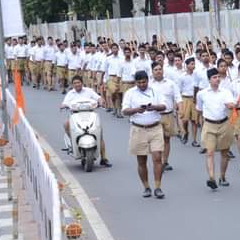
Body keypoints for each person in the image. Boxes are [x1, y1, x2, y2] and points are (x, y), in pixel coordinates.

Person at [121, 70, 168, 199]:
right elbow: (124, 111)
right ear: (135, 82)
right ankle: (146, 187)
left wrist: (154, 107)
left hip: (155, 128)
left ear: (148, 80)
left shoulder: (155, 91)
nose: (142, 84)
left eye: (144, 82)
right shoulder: (130, 93)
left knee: (157, 157)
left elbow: (164, 106)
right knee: (142, 160)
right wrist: (137, 110)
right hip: (138, 129)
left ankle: (158, 187)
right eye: (139, 82)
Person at [196, 67, 236, 190]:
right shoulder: (202, 94)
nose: (217, 79)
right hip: (209, 124)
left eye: (218, 77)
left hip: (224, 123)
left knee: (224, 152)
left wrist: (231, 105)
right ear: (209, 80)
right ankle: (211, 178)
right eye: (214, 77)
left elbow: (231, 104)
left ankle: (222, 176)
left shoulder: (226, 92)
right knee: (210, 152)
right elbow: (199, 109)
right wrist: (199, 121)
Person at [60, 75, 112, 167]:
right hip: (75, 115)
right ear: (72, 84)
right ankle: (73, 144)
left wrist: (101, 101)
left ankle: (104, 158)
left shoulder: (89, 91)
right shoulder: (70, 94)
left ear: (82, 83)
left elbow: (98, 98)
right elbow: (64, 103)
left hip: (90, 114)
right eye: (75, 83)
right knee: (66, 125)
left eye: (78, 82)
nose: (77, 84)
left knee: (99, 133)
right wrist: (63, 106)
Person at [150, 61, 179, 172]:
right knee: (156, 140)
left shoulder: (170, 83)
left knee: (166, 139)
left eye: (160, 69)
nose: (158, 71)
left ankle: (165, 161)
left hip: (168, 114)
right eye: (156, 70)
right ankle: (157, 161)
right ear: (152, 72)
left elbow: (177, 96)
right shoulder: (149, 85)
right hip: (154, 115)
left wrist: (180, 109)